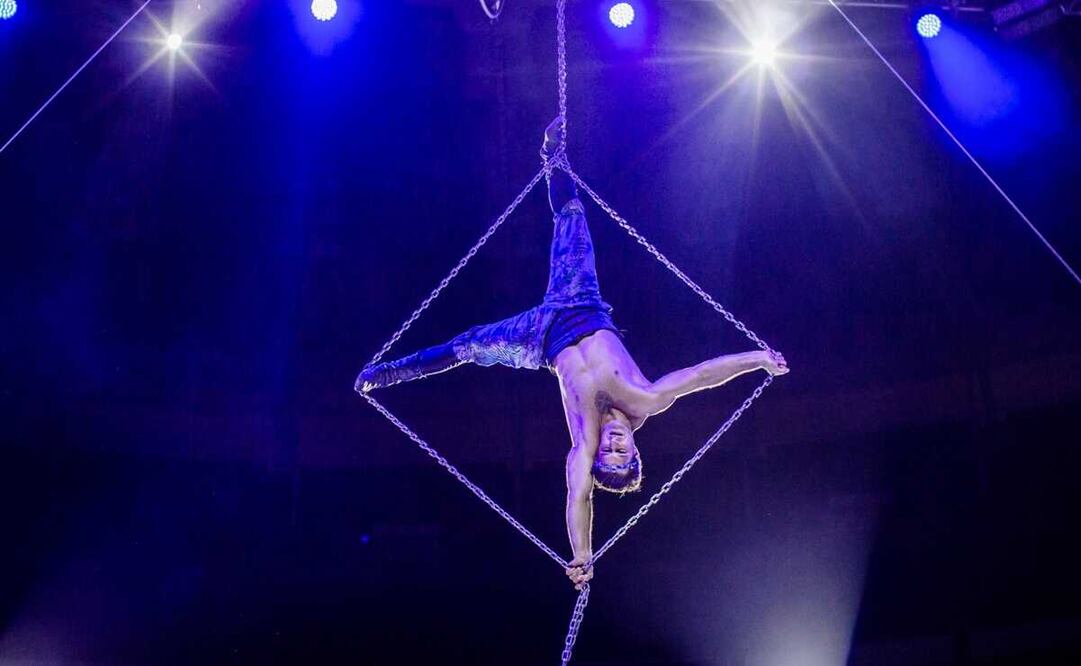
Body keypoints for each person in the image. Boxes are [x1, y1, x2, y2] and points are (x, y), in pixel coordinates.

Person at [356, 117, 789, 591]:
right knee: (573, 217)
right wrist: (758, 359)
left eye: (609, 453)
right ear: (636, 450)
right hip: (581, 303)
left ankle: (389, 374)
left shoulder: (584, 441)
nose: (613, 443)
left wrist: (582, 554)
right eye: (623, 451)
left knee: (469, 345)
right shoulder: (647, 398)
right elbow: (704, 374)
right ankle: (553, 156)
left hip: (541, 339)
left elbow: (578, 496)